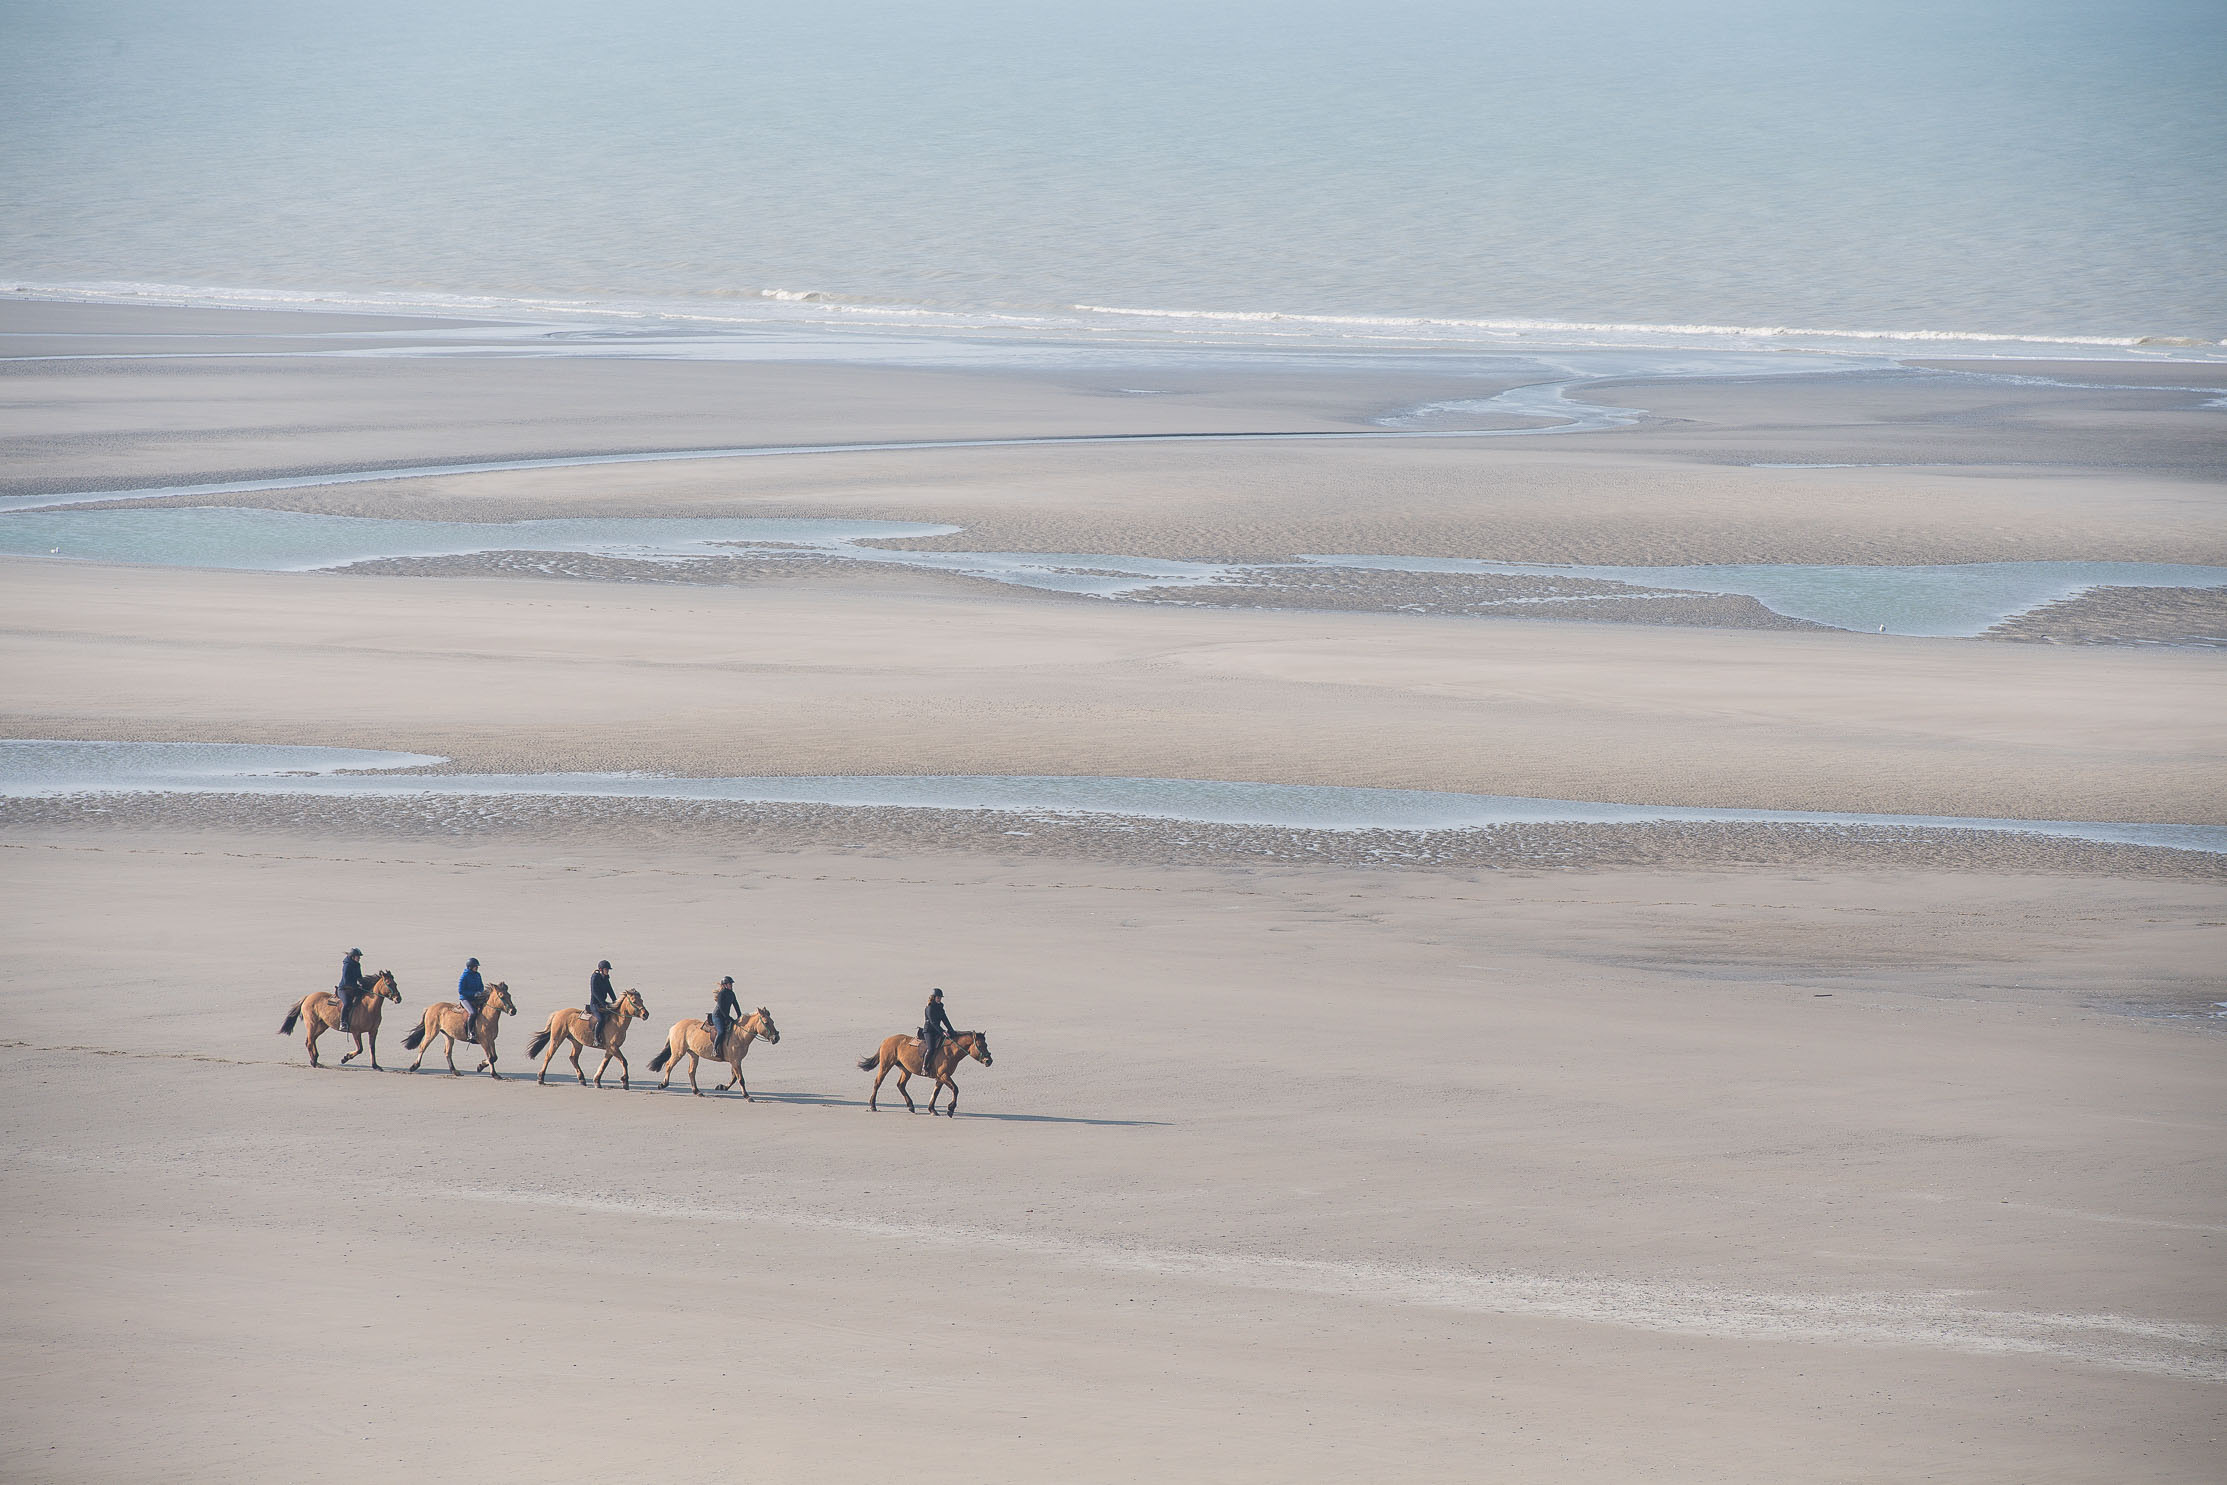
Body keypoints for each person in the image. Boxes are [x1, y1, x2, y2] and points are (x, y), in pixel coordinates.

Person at [920, 987, 956, 1073]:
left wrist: (951, 1030)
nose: (939, 999)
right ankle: (924, 1067)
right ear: (934, 997)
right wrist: (943, 1031)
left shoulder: (940, 1007)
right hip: (928, 1031)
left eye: (940, 997)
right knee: (931, 1048)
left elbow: (945, 1019)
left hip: (936, 1030)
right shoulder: (929, 1008)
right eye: (938, 997)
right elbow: (933, 1023)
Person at [703, 975, 741, 1050]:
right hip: (717, 1016)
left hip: (725, 1016)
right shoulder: (722, 994)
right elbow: (721, 1007)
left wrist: (739, 1016)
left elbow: (736, 1005)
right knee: (721, 1032)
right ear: (725, 985)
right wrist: (727, 1017)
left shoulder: (732, 994)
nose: (731, 985)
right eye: (730, 984)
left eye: (731, 984)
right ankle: (715, 1048)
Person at [336, 948, 367, 1026]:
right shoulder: (347, 965)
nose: (359, 958)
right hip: (344, 989)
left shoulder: (357, 965)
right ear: (353, 957)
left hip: (354, 988)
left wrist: (363, 984)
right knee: (347, 1003)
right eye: (358, 956)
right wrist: (356, 986)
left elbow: (359, 977)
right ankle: (342, 1022)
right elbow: (346, 980)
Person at [586, 960, 615, 1042]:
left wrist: (615, 1002)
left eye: (608, 970)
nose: (608, 971)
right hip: (595, 1004)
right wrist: (603, 1003)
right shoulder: (595, 977)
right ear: (601, 969)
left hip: (603, 1003)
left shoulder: (606, 978)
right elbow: (594, 992)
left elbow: (610, 990)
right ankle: (596, 1037)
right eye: (606, 969)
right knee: (601, 1019)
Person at [457, 957, 486, 1024]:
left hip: (476, 998)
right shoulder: (464, 976)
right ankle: (470, 1031)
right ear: (470, 967)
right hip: (465, 999)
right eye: (475, 966)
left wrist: (480, 992)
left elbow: (481, 986)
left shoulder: (478, 975)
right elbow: (461, 991)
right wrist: (474, 994)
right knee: (472, 1013)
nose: (477, 968)